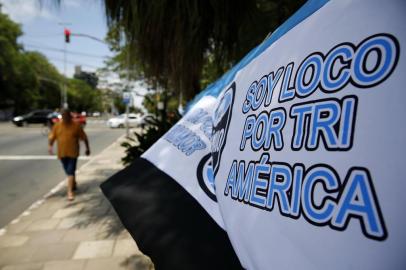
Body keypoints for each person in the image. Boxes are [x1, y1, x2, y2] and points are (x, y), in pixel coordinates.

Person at [48, 109, 90, 201]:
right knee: (68, 170)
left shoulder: (76, 126)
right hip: (62, 153)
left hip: (73, 152)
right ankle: (73, 183)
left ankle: (70, 192)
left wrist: (87, 148)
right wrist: (50, 147)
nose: (65, 117)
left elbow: (84, 137)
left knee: (70, 171)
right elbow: (52, 137)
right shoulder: (57, 126)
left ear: (69, 116)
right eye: (64, 116)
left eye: (67, 115)